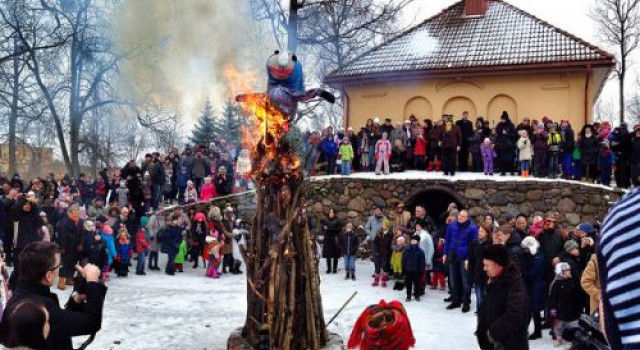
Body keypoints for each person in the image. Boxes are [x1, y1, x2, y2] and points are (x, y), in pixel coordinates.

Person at [0, 242, 106, 350]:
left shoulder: (25, 295)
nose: (59, 269)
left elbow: (59, 325)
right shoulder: (39, 307)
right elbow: (91, 322)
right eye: (58, 266)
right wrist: (92, 282)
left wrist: (76, 300)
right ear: (49, 276)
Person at [476, 244, 530, 350]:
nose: (484, 268)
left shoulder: (514, 284)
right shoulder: (494, 278)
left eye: (487, 265)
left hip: (507, 343)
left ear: (498, 266)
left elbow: (514, 315)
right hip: (494, 342)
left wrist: (491, 332)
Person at [444, 210, 478, 313]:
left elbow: (473, 245)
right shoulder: (452, 226)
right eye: (459, 215)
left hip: (464, 258)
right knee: (454, 281)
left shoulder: (472, 228)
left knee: (465, 282)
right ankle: (456, 301)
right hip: (452, 256)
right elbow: (447, 240)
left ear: (467, 218)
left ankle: (466, 302)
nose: (460, 217)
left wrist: (468, 258)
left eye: (463, 216)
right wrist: (445, 253)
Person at [549, 262, 582, 348]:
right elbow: (553, 297)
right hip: (560, 309)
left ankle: (569, 340)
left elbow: (578, 295)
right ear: (561, 272)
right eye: (566, 270)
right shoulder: (556, 283)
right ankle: (558, 338)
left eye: (569, 270)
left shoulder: (573, 282)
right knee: (559, 326)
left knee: (571, 325)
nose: (568, 271)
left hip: (572, 310)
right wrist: (553, 309)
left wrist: (579, 307)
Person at [521, 236, 546, 340]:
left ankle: (537, 331)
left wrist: (522, 273)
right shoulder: (532, 255)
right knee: (529, 310)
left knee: (534, 310)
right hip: (531, 285)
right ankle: (526, 330)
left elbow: (535, 272)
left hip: (536, 285)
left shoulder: (537, 256)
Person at [468, 225, 491, 312]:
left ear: (487, 233)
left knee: (485, 292)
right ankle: (480, 309)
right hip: (477, 272)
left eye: (482, 231)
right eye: (479, 231)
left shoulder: (489, 244)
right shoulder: (474, 243)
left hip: (486, 273)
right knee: (478, 292)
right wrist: (471, 270)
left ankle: (485, 309)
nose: (479, 233)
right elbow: (472, 258)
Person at [402, 235, 426, 302]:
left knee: (417, 284)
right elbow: (403, 260)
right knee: (408, 284)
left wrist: (421, 271)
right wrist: (403, 268)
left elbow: (422, 262)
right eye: (412, 240)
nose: (412, 241)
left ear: (418, 242)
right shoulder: (406, 250)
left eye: (414, 240)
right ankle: (408, 296)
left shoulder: (420, 251)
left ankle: (417, 295)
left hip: (416, 270)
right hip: (408, 270)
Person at [322, 209, 341, 274]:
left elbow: (339, 229)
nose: (331, 213)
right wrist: (324, 228)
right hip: (327, 239)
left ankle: (335, 269)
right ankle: (329, 269)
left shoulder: (337, 220)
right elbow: (323, 229)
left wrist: (330, 229)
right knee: (328, 255)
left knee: (335, 255)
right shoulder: (326, 220)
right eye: (330, 212)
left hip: (335, 239)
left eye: (332, 212)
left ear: (334, 213)